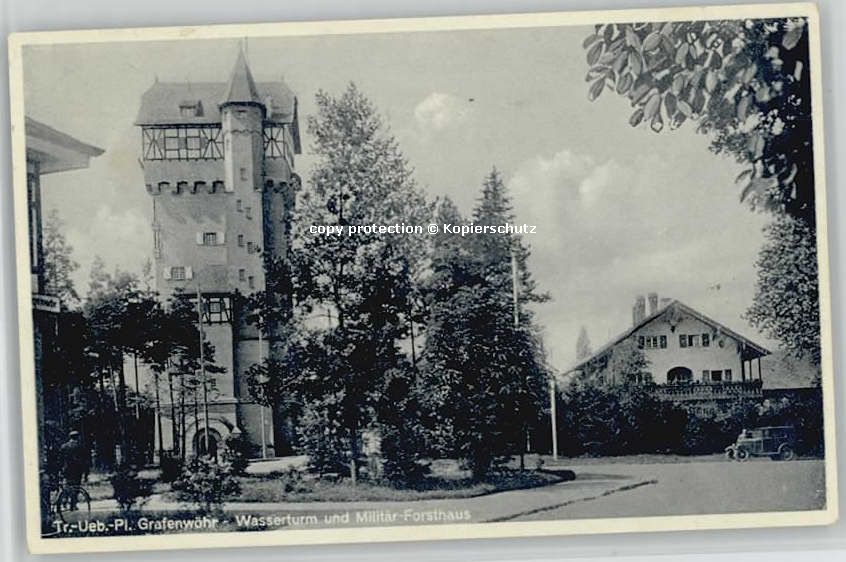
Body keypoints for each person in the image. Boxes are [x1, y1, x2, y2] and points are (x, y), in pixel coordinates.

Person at [59, 431, 89, 510]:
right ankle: (73, 504)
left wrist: (61, 470)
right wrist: (86, 474)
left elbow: (60, 460)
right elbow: (85, 460)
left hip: (67, 470)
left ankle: (64, 501)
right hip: (77, 470)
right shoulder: (81, 446)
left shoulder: (64, 446)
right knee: (76, 486)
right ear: (78, 437)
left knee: (68, 485)